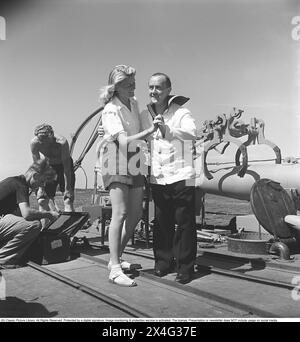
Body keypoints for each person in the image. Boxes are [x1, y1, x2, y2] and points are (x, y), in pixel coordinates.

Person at [97, 64, 163, 287]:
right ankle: (115, 269)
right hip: (117, 156)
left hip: (136, 158)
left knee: (135, 214)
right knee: (121, 212)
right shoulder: (110, 109)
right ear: (116, 87)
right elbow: (123, 142)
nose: (134, 87)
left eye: (134, 83)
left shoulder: (134, 103)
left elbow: (139, 133)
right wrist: (150, 132)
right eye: (128, 84)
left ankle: (116, 257)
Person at [140, 73, 197, 284]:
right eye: (151, 87)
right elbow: (133, 135)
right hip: (158, 176)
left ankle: (185, 267)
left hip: (184, 174)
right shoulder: (144, 115)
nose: (154, 92)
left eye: (159, 88)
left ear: (168, 90)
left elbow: (192, 133)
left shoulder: (182, 112)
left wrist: (167, 129)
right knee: (161, 221)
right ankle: (163, 263)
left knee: (185, 222)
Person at [0, 159, 60, 267]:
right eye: (42, 182)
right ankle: (3, 260)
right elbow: (27, 214)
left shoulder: (13, 181)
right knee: (34, 225)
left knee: (28, 222)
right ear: (35, 176)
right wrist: (49, 214)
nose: (41, 186)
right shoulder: (21, 185)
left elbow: (20, 215)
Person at [30, 124, 75, 212]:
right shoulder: (35, 143)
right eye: (41, 140)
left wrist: (68, 188)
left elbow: (67, 168)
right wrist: (41, 188)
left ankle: (71, 223)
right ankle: (46, 224)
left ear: (52, 135)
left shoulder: (62, 142)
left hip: (63, 166)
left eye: (46, 140)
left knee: (68, 199)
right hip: (49, 166)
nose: (44, 143)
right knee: (42, 200)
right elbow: (38, 167)